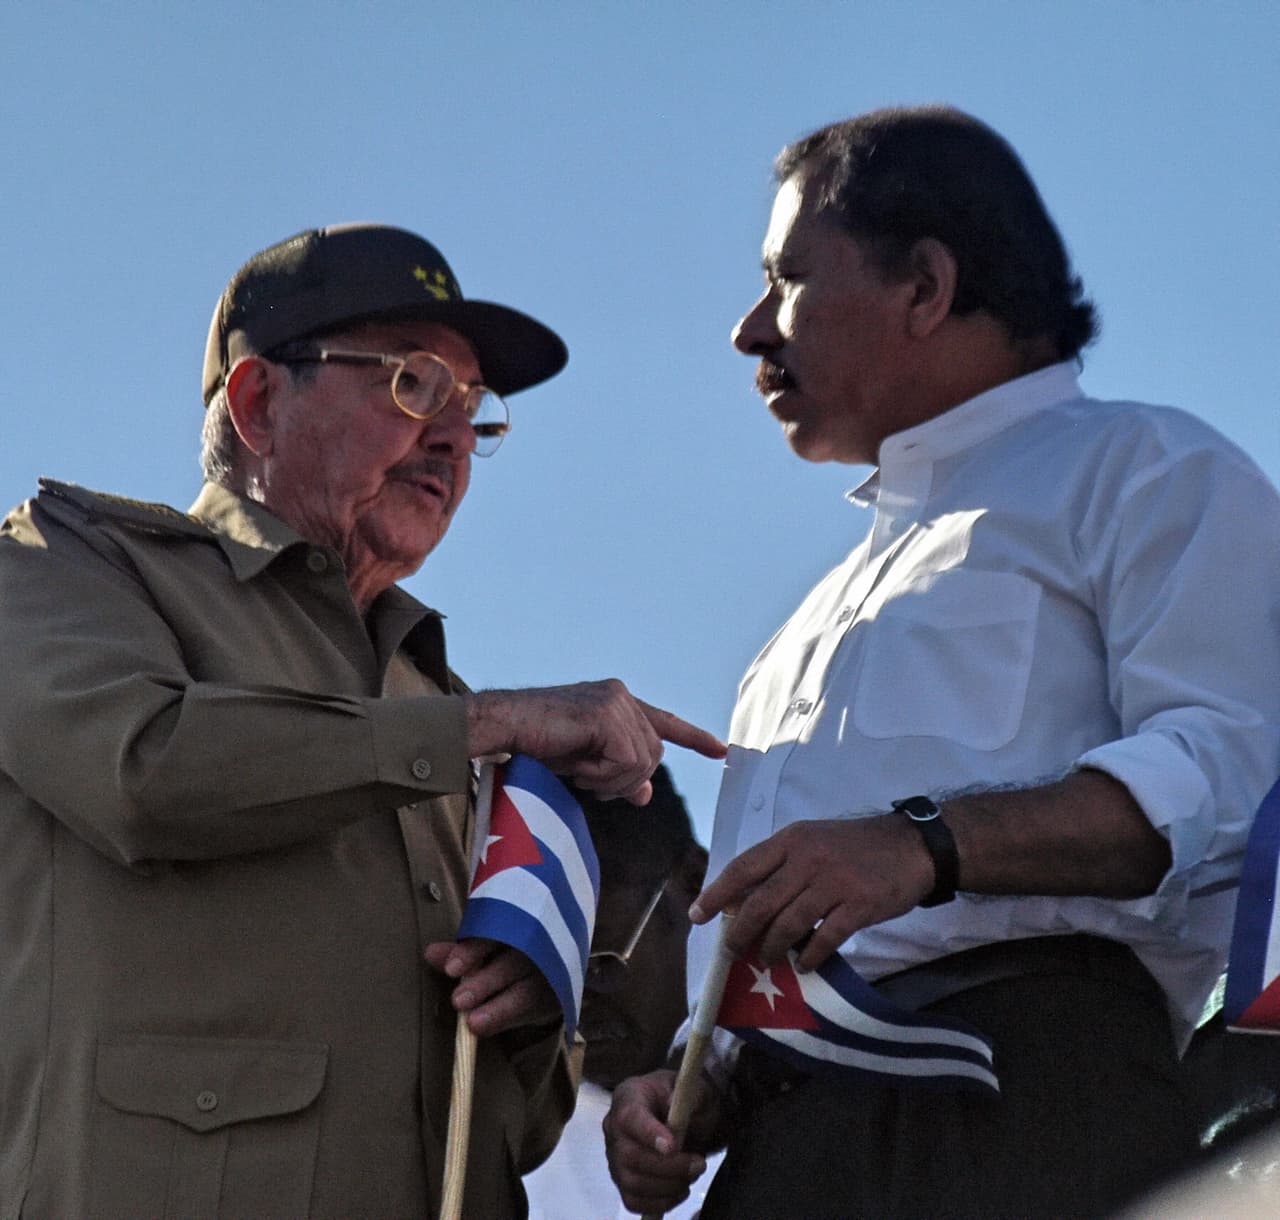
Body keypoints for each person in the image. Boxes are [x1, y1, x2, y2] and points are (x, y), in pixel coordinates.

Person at [604, 106, 1280, 1219]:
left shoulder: (1150, 470)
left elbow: (1231, 767)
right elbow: (760, 947)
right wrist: (683, 1083)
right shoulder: (797, 630)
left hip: (1026, 1116)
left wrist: (924, 844)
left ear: (923, 284)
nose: (747, 330)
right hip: (785, 1157)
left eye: (785, 279)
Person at [0, 222, 724, 1219]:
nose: (454, 435)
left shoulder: (440, 704)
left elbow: (520, 1131)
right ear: (259, 401)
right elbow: (143, 769)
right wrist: (486, 723)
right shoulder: (64, 567)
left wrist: (523, 1009)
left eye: (474, 409)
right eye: (416, 384)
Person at [525, 765, 724, 1220]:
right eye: (545, 969)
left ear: (696, 883)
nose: (573, 999)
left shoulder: (811, 1095)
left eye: (599, 960)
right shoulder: (501, 1149)